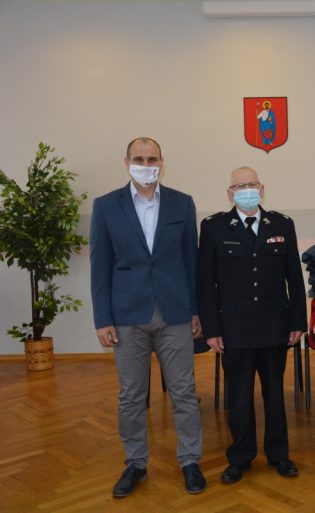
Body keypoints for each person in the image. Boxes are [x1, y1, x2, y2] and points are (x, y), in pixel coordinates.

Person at [89, 137, 205, 497]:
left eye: (152, 158)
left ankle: (190, 461)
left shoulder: (182, 203)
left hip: (175, 314)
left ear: (162, 162)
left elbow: (191, 262)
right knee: (131, 396)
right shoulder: (106, 206)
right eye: (139, 159)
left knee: (184, 392)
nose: (146, 164)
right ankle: (135, 464)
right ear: (127, 163)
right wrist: (102, 318)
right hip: (127, 316)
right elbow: (100, 265)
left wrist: (196, 310)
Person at [197, 167, 306, 483]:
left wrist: (297, 321)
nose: (247, 190)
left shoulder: (282, 225)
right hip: (234, 328)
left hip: (275, 325)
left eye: (252, 184)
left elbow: (294, 278)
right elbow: (205, 283)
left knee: (275, 395)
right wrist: (212, 329)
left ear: (262, 188)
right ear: (230, 193)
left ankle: (279, 454)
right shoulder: (214, 227)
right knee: (239, 398)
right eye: (240, 186)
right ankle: (240, 457)